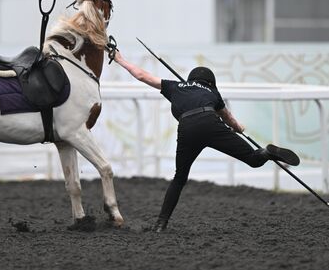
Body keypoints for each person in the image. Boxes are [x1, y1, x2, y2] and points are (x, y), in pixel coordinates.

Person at [113, 50, 300, 232]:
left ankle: (160, 225)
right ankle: (267, 152)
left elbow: (141, 75)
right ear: (211, 83)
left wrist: (120, 59)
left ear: (190, 80)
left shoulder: (176, 86)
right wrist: (239, 128)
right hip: (211, 124)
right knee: (253, 158)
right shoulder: (213, 93)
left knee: (179, 179)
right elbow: (228, 118)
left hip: (187, 128)